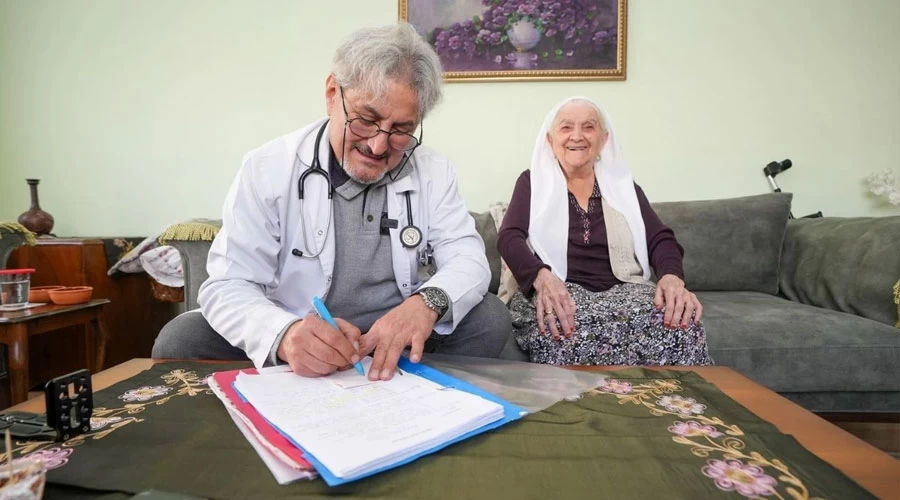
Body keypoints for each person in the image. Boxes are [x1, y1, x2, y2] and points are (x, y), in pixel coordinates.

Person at [153, 23, 511, 380]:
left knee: (490, 318)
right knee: (181, 339)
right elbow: (228, 284)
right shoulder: (268, 167)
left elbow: (469, 260)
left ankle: (407, 389)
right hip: (301, 330)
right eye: (366, 120)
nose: (378, 146)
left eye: (401, 130)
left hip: (393, 339)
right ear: (331, 93)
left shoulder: (433, 170)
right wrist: (286, 335)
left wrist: (424, 305)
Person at [497, 96, 712, 366]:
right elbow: (510, 237)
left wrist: (671, 278)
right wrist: (543, 278)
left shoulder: (623, 187)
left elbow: (660, 239)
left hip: (623, 290)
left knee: (682, 323)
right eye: (566, 127)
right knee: (561, 327)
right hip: (558, 289)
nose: (577, 136)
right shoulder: (533, 183)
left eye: (588, 127)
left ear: (603, 139)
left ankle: (674, 406)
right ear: (550, 140)